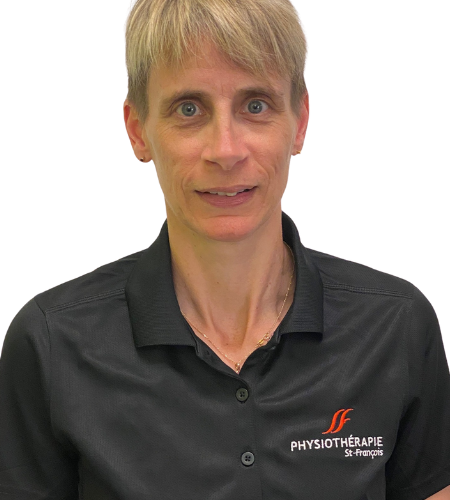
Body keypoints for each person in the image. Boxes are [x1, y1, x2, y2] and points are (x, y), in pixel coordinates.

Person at [0, 0, 449, 497]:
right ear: (137, 130)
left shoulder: (395, 328)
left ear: (300, 122)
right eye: (189, 109)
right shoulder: (52, 344)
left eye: (255, 106)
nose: (226, 150)